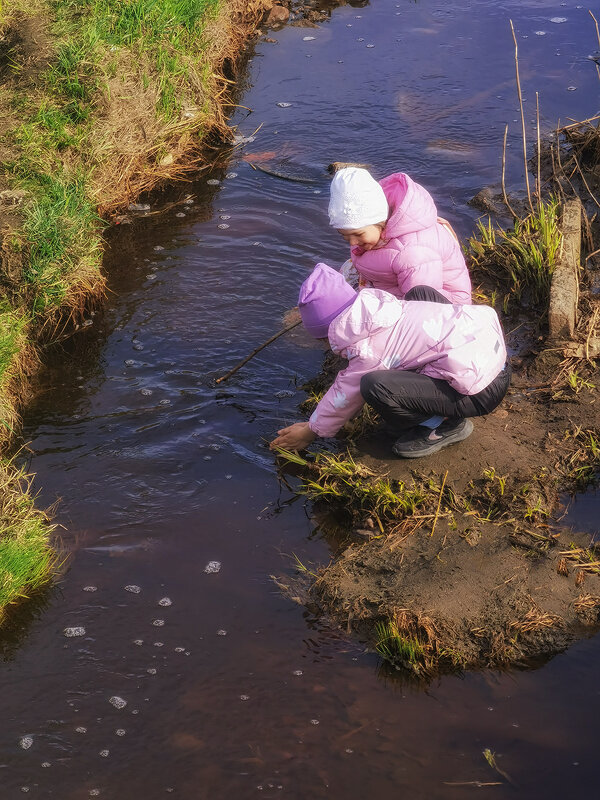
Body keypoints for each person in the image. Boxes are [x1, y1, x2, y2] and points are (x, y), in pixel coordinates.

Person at [270, 263, 510, 458]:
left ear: (329, 334)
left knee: (374, 385)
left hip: (482, 391)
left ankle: (445, 425)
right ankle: (441, 406)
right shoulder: (385, 309)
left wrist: (311, 430)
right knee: (419, 293)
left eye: (323, 340)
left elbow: (345, 393)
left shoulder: (369, 351)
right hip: (493, 355)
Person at [328, 166, 472, 304]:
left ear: (379, 221)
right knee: (342, 277)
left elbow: (422, 304)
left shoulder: (413, 252)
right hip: (395, 285)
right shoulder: (376, 233)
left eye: (357, 234)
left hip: (442, 305)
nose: (352, 242)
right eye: (344, 236)